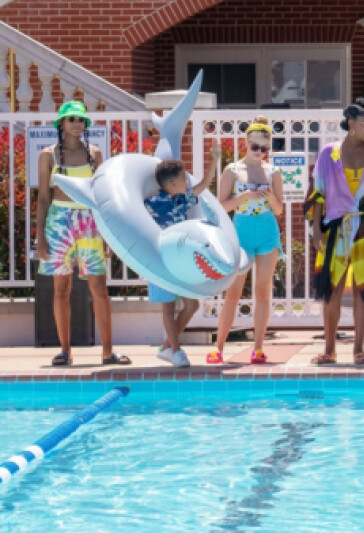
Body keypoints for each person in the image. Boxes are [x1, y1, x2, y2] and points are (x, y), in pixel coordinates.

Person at [304, 98, 364, 366]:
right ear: (350, 123)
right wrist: (316, 230)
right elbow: (318, 192)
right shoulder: (329, 153)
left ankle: (359, 349)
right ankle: (329, 350)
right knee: (331, 290)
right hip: (335, 231)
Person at [36, 101, 131, 367]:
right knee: (61, 289)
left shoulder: (95, 154)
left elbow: (102, 197)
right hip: (59, 222)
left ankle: (108, 352)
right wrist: (40, 236)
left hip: (90, 221)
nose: (77, 124)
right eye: (72, 119)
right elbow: (43, 198)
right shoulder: (48, 156)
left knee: (99, 287)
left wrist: (108, 234)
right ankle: (65, 351)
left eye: (81, 120)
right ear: (61, 123)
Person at [206, 117, 283, 365]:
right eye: (255, 146)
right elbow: (222, 206)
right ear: (245, 144)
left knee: (262, 292)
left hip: (267, 231)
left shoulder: (273, 172)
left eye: (264, 148)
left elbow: (279, 210)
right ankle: (218, 348)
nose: (259, 152)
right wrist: (245, 197)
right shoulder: (232, 170)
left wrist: (270, 198)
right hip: (241, 232)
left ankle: (258, 348)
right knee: (233, 292)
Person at [144, 142, 220, 367]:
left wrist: (215, 160)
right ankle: (176, 351)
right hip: (161, 259)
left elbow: (204, 185)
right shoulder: (152, 204)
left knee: (192, 305)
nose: (187, 182)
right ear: (173, 184)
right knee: (168, 306)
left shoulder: (181, 199)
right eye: (184, 179)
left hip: (180, 260)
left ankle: (166, 347)